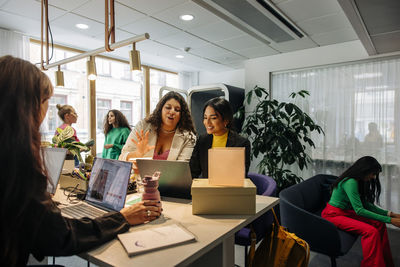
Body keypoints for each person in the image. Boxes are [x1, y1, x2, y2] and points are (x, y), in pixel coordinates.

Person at [0, 55, 161, 266]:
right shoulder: (16, 164)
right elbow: (59, 237)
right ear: (27, 106)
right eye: (46, 100)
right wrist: (122, 218)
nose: (47, 109)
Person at [321, 156, 400, 267]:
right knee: (371, 231)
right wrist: (390, 220)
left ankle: (383, 261)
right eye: (372, 174)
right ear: (364, 170)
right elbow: (359, 210)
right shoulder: (350, 182)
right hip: (332, 215)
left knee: (379, 224)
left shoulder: (357, 180)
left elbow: (366, 205)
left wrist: (390, 214)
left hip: (345, 212)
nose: (373, 177)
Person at [119, 91, 196, 162]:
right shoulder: (143, 126)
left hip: (170, 177)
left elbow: (182, 168)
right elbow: (122, 157)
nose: (172, 111)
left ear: (181, 115)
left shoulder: (188, 137)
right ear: (160, 110)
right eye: (168, 107)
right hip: (139, 176)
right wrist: (138, 154)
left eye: (177, 110)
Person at [190, 97, 250, 178]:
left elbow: (241, 176)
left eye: (213, 118)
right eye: (205, 117)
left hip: (230, 189)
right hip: (206, 188)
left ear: (226, 120)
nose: (207, 122)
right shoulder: (202, 140)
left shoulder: (241, 143)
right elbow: (193, 171)